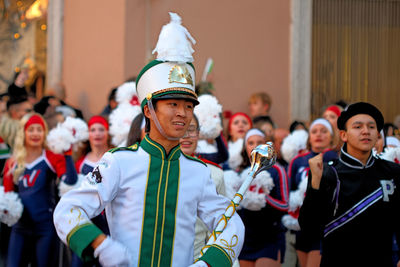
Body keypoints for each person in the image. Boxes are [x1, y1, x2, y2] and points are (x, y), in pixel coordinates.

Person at [53, 12, 244, 267]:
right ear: (148, 110)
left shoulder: (199, 173)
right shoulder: (119, 162)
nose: (182, 113)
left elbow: (230, 223)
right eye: (173, 104)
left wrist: (208, 263)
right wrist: (101, 245)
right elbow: (67, 210)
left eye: (188, 106)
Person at [299, 102, 400, 267]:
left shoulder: (393, 172)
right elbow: (309, 228)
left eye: (371, 127)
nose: (366, 131)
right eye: (358, 126)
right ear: (344, 135)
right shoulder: (328, 173)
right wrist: (315, 185)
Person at [2, 113, 78, 266]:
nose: (35, 133)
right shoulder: (12, 163)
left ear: (45, 133)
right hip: (20, 228)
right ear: (23, 133)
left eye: (39, 129)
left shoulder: (51, 157)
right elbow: (7, 196)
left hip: (45, 228)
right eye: (31, 129)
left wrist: (68, 154)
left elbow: (70, 181)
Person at [286, 118, 338, 267]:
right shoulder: (298, 161)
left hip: (324, 225)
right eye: (314, 131)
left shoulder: (336, 158)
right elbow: (290, 190)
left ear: (332, 136)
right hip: (302, 223)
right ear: (309, 137)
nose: (319, 135)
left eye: (324, 131)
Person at [234, 128, 288, 267]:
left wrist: (263, 197)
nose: (255, 146)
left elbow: (285, 205)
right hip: (246, 238)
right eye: (251, 142)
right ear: (245, 147)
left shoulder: (277, 170)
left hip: (269, 237)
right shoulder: (238, 172)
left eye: (260, 142)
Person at [179, 114, 227, 259]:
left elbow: (221, 225)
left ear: (198, 134)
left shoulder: (214, 174)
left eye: (191, 129)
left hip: (198, 258)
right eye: (181, 129)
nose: (186, 136)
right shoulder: (157, 170)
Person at [72, 115, 111, 267]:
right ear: (88, 134)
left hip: (110, 224)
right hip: (87, 225)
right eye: (93, 130)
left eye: (101, 129)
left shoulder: (115, 157)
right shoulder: (80, 163)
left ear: (107, 133)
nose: (97, 134)